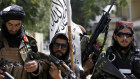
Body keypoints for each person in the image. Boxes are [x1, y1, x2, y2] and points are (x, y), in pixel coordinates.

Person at [0, 4, 42, 79]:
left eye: (17, 25)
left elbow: (40, 63)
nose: (13, 29)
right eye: (10, 24)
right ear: (4, 23)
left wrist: (36, 66)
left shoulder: (28, 41)